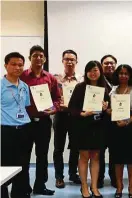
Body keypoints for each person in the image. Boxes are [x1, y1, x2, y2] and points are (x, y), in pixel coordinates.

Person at [20, 45, 61, 196]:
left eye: (41, 56)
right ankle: (24, 187)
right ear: (30, 58)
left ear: (45, 59)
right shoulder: (22, 76)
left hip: (44, 122)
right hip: (26, 122)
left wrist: (54, 109)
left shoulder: (50, 78)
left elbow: (57, 98)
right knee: (24, 155)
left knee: (42, 156)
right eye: (35, 55)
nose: (38, 58)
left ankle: (40, 186)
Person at [68, 60, 109, 198]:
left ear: (100, 72)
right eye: (90, 70)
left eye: (96, 70)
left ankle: (94, 187)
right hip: (83, 127)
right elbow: (72, 108)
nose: (93, 73)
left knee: (96, 157)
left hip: (98, 128)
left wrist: (105, 108)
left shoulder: (105, 88)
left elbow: (109, 109)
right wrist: (82, 113)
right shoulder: (80, 87)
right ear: (86, 73)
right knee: (84, 157)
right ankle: (84, 186)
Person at [110, 64, 132, 198]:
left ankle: (131, 186)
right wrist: (108, 110)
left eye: (126, 73)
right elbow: (110, 110)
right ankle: (119, 186)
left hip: (131, 128)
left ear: (130, 76)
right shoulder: (113, 91)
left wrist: (127, 121)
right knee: (117, 160)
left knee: (131, 160)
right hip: (116, 128)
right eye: (121, 73)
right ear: (117, 75)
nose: (123, 76)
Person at [1, 52, 31, 198]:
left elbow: (24, 106)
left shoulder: (24, 86)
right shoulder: (0, 86)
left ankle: (19, 194)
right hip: (5, 131)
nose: (17, 67)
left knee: (22, 167)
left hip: (24, 130)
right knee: (4, 168)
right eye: (13, 64)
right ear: (5, 65)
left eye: (20, 65)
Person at [53, 49, 82, 188]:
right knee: (58, 148)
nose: (69, 62)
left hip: (76, 117)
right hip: (60, 116)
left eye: (72, 59)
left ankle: (73, 174)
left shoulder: (82, 79)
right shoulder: (55, 78)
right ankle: (59, 177)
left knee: (75, 147)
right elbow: (51, 97)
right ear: (62, 61)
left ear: (76, 61)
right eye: (67, 59)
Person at [98, 54, 117, 188]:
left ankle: (115, 178)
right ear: (101, 66)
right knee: (99, 152)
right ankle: (99, 178)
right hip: (99, 123)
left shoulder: (120, 80)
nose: (109, 66)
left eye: (112, 63)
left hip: (116, 123)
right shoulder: (97, 81)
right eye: (106, 63)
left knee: (114, 152)